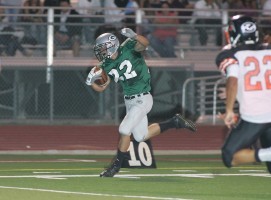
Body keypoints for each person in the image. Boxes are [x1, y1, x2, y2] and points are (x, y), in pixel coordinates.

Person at [86, 27, 197, 177]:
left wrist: (135, 36)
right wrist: (91, 82)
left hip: (143, 98)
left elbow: (145, 44)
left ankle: (115, 167)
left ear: (111, 45)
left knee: (125, 129)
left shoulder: (128, 47)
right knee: (140, 136)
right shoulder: (106, 65)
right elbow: (103, 87)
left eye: (102, 48)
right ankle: (174, 122)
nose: (101, 52)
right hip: (129, 101)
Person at [215, 15, 271, 173]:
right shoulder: (268, 49)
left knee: (229, 156)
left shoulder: (231, 54)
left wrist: (229, 110)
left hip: (255, 116)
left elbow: (232, 80)